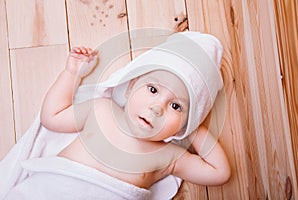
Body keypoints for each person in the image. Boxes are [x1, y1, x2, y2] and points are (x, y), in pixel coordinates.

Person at [40, 31, 231, 191]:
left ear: (185, 124)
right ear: (131, 86)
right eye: (153, 89)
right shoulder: (101, 109)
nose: (157, 108)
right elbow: (52, 117)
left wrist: (195, 130)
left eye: (176, 106)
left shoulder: (168, 156)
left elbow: (219, 173)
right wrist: (72, 73)